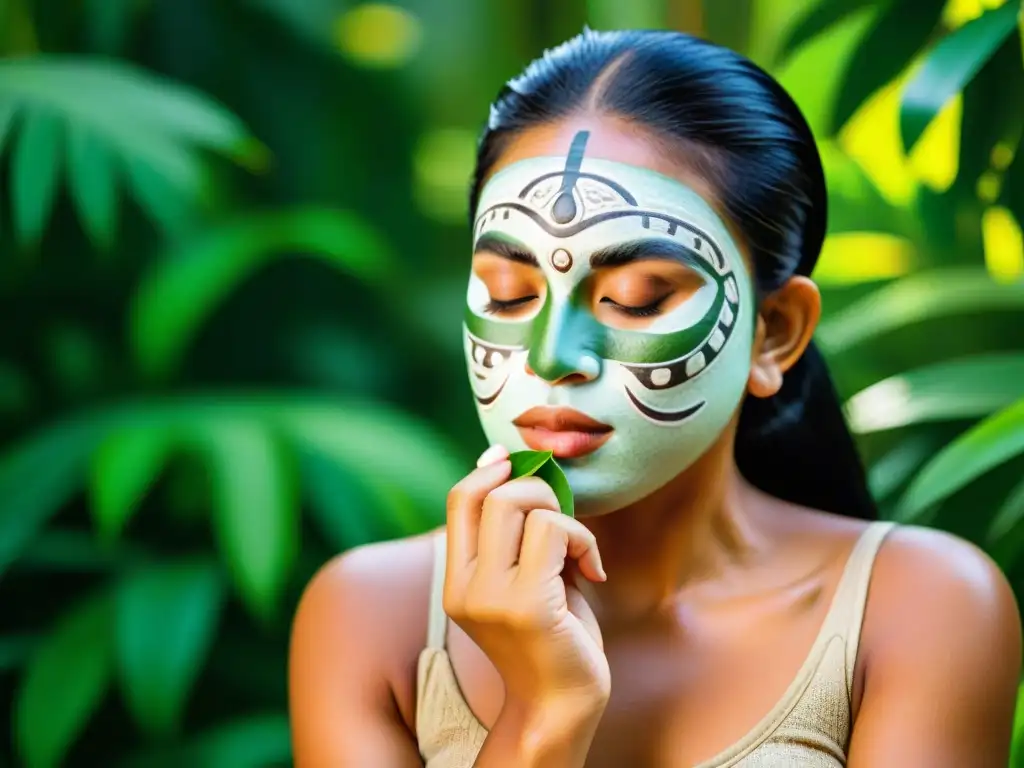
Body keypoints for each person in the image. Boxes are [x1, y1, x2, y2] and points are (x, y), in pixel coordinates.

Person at [288, 28, 1022, 767]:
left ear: (774, 333)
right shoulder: (371, 618)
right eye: (510, 295)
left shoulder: (922, 610)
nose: (552, 357)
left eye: (635, 300)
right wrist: (543, 711)